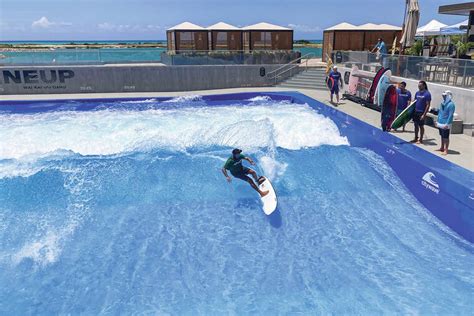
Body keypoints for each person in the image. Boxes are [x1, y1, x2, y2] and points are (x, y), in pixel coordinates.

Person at [435, 91, 455, 155]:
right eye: (443, 96)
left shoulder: (451, 105)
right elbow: (440, 112)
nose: (443, 97)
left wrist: (447, 123)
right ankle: (442, 147)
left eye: (444, 96)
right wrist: (437, 120)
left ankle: (446, 150)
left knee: (446, 137)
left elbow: (450, 115)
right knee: (442, 135)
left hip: (446, 123)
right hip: (440, 122)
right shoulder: (442, 103)